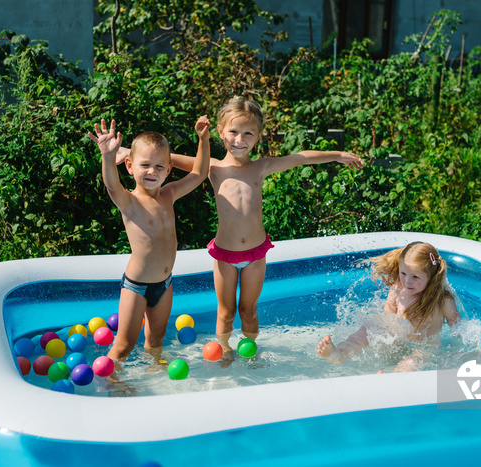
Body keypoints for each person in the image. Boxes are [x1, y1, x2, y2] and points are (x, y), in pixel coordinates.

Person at [151, 98, 364, 362]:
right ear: (220, 131)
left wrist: (337, 155)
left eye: (248, 133)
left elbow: (299, 159)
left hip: (255, 255)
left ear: (258, 136)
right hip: (225, 255)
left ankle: (251, 353)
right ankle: (225, 351)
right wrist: (126, 153)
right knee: (226, 312)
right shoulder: (212, 167)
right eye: (233, 132)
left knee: (249, 310)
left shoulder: (260, 167)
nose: (240, 139)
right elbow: (165, 157)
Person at [87, 116, 210, 375]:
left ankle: (153, 375)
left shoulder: (170, 194)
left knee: (156, 340)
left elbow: (199, 173)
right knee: (123, 344)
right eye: (144, 165)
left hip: (164, 284)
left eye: (158, 166)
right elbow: (111, 185)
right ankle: (112, 384)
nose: (152, 171)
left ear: (168, 169)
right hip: (136, 286)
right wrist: (108, 157)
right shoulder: (129, 201)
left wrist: (203, 140)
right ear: (130, 166)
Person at [317, 241, 460, 371]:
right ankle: (340, 354)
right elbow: (387, 318)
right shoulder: (398, 290)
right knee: (365, 331)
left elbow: (458, 330)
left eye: (415, 277)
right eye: (403, 273)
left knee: (412, 362)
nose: (407, 281)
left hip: (424, 347)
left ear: (432, 276)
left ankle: (392, 379)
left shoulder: (443, 301)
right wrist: (378, 334)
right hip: (398, 341)